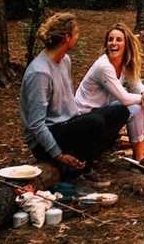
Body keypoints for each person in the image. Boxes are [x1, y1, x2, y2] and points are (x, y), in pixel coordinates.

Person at [20, 13, 129, 173]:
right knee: (95, 122)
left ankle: (82, 160)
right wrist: (58, 154)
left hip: (67, 125)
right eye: (76, 33)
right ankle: (74, 167)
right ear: (67, 37)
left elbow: (68, 103)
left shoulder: (65, 60)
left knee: (120, 111)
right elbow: (36, 124)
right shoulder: (40, 72)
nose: (78, 37)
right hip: (45, 140)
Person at [74, 23, 144, 162]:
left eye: (118, 40)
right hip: (85, 116)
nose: (113, 43)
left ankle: (140, 155)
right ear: (106, 44)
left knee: (143, 103)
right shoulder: (103, 66)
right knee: (136, 107)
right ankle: (140, 156)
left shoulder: (123, 64)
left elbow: (137, 85)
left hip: (101, 111)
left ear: (126, 44)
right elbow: (124, 98)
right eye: (110, 39)